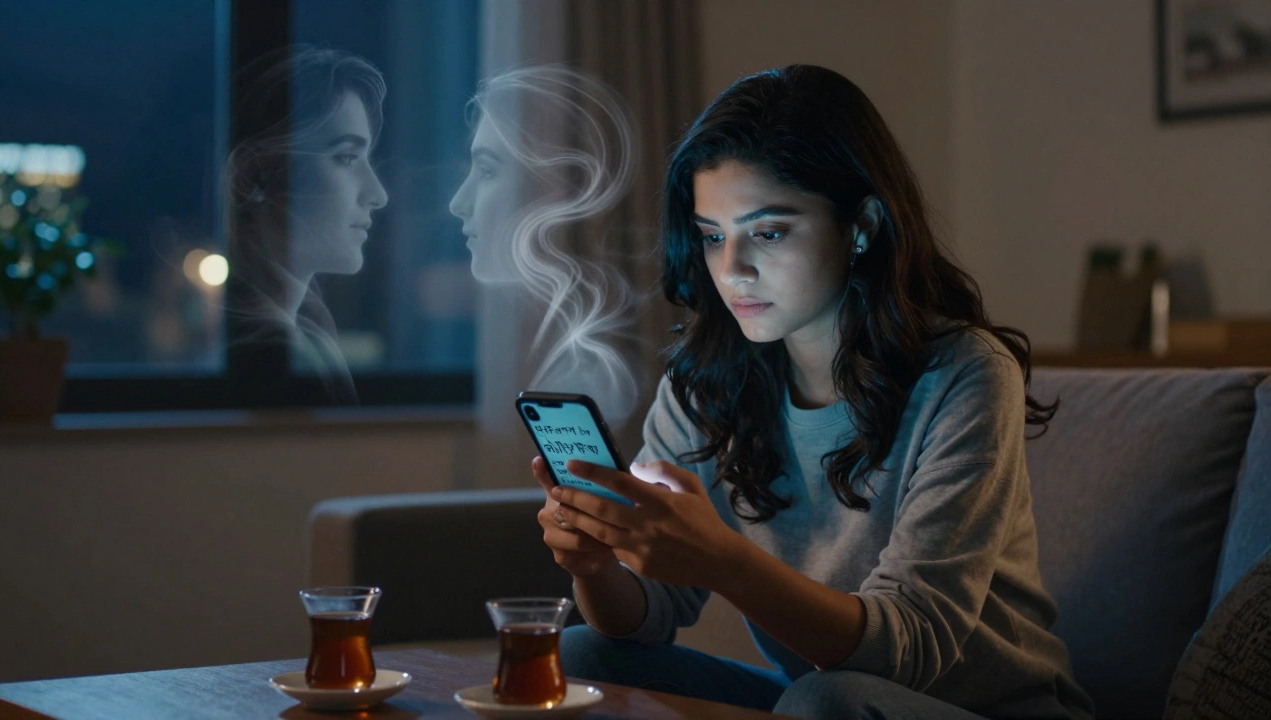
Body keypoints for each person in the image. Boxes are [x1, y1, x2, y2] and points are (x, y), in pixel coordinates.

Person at [532, 65, 1096, 720]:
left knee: (820, 700)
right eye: (714, 236)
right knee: (579, 657)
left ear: (860, 225)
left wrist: (727, 563)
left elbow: (910, 648)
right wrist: (597, 566)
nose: (733, 269)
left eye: (768, 232)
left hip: (980, 710)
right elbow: (649, 617)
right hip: (823, 698)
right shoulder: (705, 383)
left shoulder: (966, 377)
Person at [448, 65, 641, 424]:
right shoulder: (534, 358)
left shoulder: (592, 382)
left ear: (558, 188)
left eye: (487, 171)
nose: (457, 202)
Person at [225, 45, 389, 402]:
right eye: (346, 157)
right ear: (254, 177)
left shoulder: (306, 335)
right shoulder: (269, 358)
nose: (377, 194)